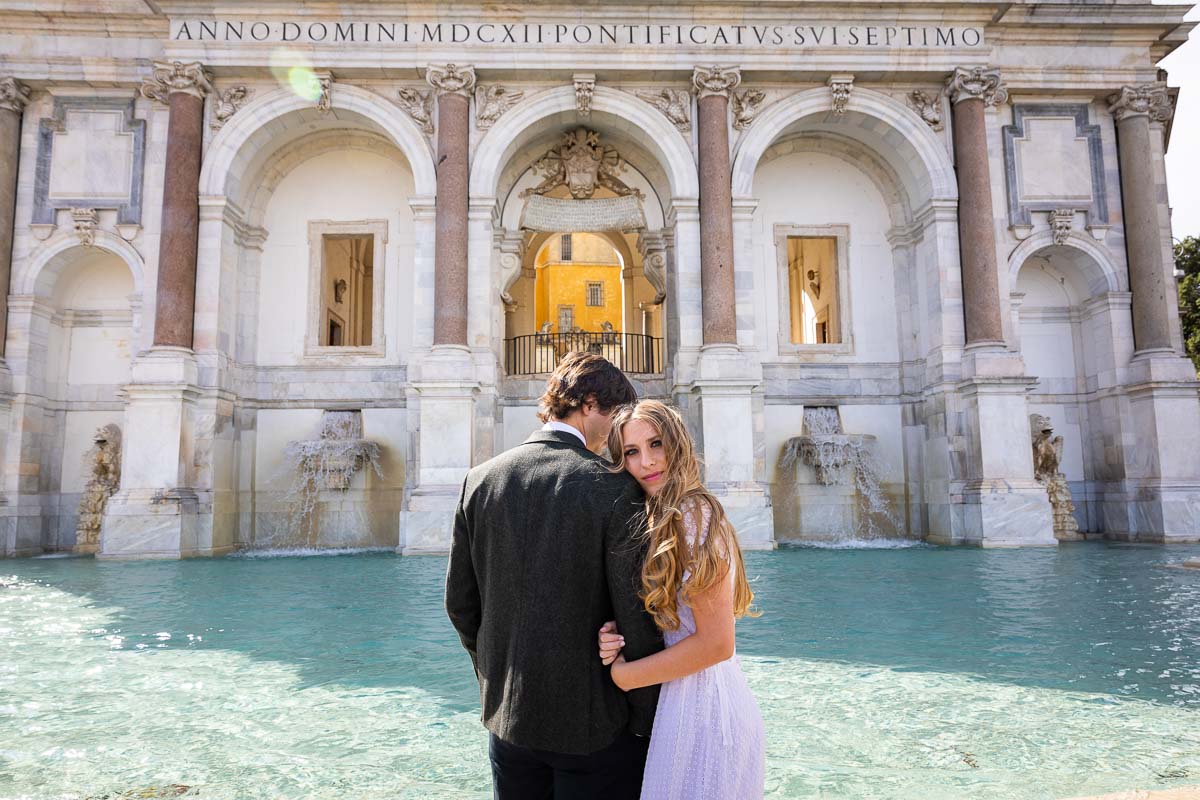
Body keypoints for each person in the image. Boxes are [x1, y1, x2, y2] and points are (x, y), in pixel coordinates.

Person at [445, 352, 664, 800]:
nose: (615, 434)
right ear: (588, 403)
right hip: (596, 729)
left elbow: (461, 607)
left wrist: (498, 679)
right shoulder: (614, 487)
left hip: (508, 720)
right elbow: (635, 614)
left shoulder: (480, 480)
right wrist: (646, 719)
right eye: (614, 416)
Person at [598, 399, 765, 800]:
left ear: (678, 444)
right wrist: (620, 632)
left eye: (656, 444)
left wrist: (624, 675)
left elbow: (717, 644)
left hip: (706, 712)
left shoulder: (694, 516)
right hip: (687, 704)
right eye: (632, 453)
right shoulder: (668, 516)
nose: (646, 462)